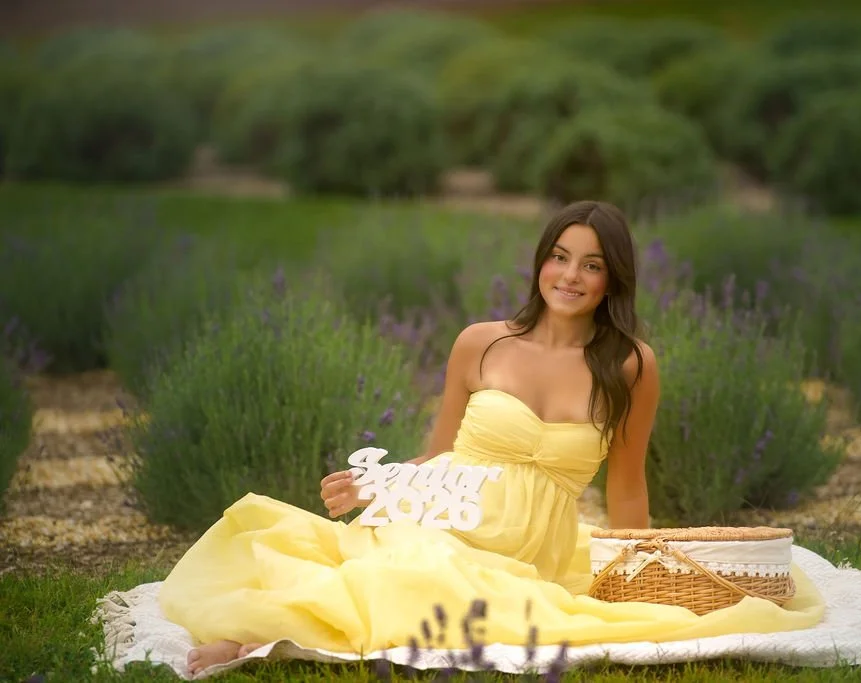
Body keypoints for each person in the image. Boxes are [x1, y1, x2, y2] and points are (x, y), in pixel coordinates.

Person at [158, 200, 826, 677]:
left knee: (450, 597)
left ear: (612, 279)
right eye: (558, 256)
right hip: (445, 510)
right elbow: (438, 449)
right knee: (399, 568)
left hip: (533, 544)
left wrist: (635, 569)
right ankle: (250, 636)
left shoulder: (631, 364)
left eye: (590, 265)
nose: (569, 275)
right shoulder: (481, 343)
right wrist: (382, 481)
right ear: (540, 262)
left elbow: (627, 481)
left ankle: (276, 630)